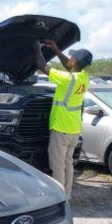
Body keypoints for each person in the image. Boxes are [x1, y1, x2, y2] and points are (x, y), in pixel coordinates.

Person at [35, 39, 92, 199]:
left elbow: (42, 66)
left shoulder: (67, 79)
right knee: (68, 164)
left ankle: (58, 197)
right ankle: (67, 195)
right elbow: (69, 66)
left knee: (58, 165)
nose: (70, 59)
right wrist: (56, 50)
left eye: (72, 57)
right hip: (73, 129)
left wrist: (36, 48)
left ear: (74, 60)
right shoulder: (84, 77)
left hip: (61, 128)